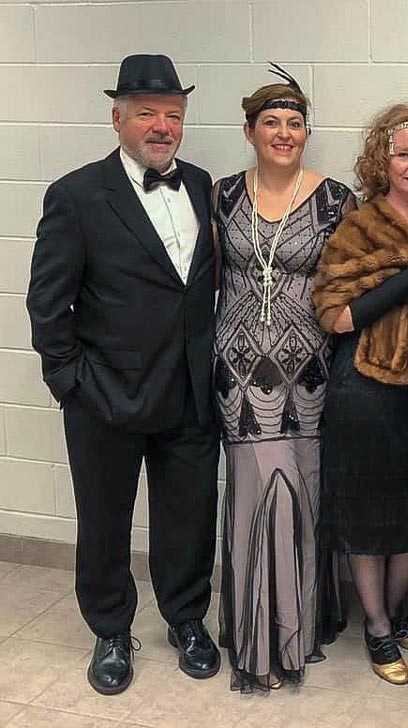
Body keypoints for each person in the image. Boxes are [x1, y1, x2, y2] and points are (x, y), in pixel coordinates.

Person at [26, 54, 220, 695]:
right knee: (104, 521)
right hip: (105, 395)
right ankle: (110, 629)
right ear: (117, 120)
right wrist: (71, 383)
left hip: (190, 391)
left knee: (190, 516)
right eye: (147, 114)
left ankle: (186, 618)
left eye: (174, 114)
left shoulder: (202, 186)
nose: (162, 126)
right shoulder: (77, 195)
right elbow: (47, 304)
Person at [212, 65, 356, 692]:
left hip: (312, 372)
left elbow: (352, 285)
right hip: (239, 374)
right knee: (258, 493)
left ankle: (300, 625)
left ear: (306, 134)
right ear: (249, 131)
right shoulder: (222, 196)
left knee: (304, 493)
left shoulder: (336, 200)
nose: (284, 132)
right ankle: (260, 643)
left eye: (295, 123)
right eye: (271, 122)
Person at [312, 104, 408, 685]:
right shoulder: (361, 226)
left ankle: (392, 610)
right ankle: (376, 626)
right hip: (367, 390)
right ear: (382, 160)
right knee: (367, 514)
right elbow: (335, 316)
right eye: (403, 154)